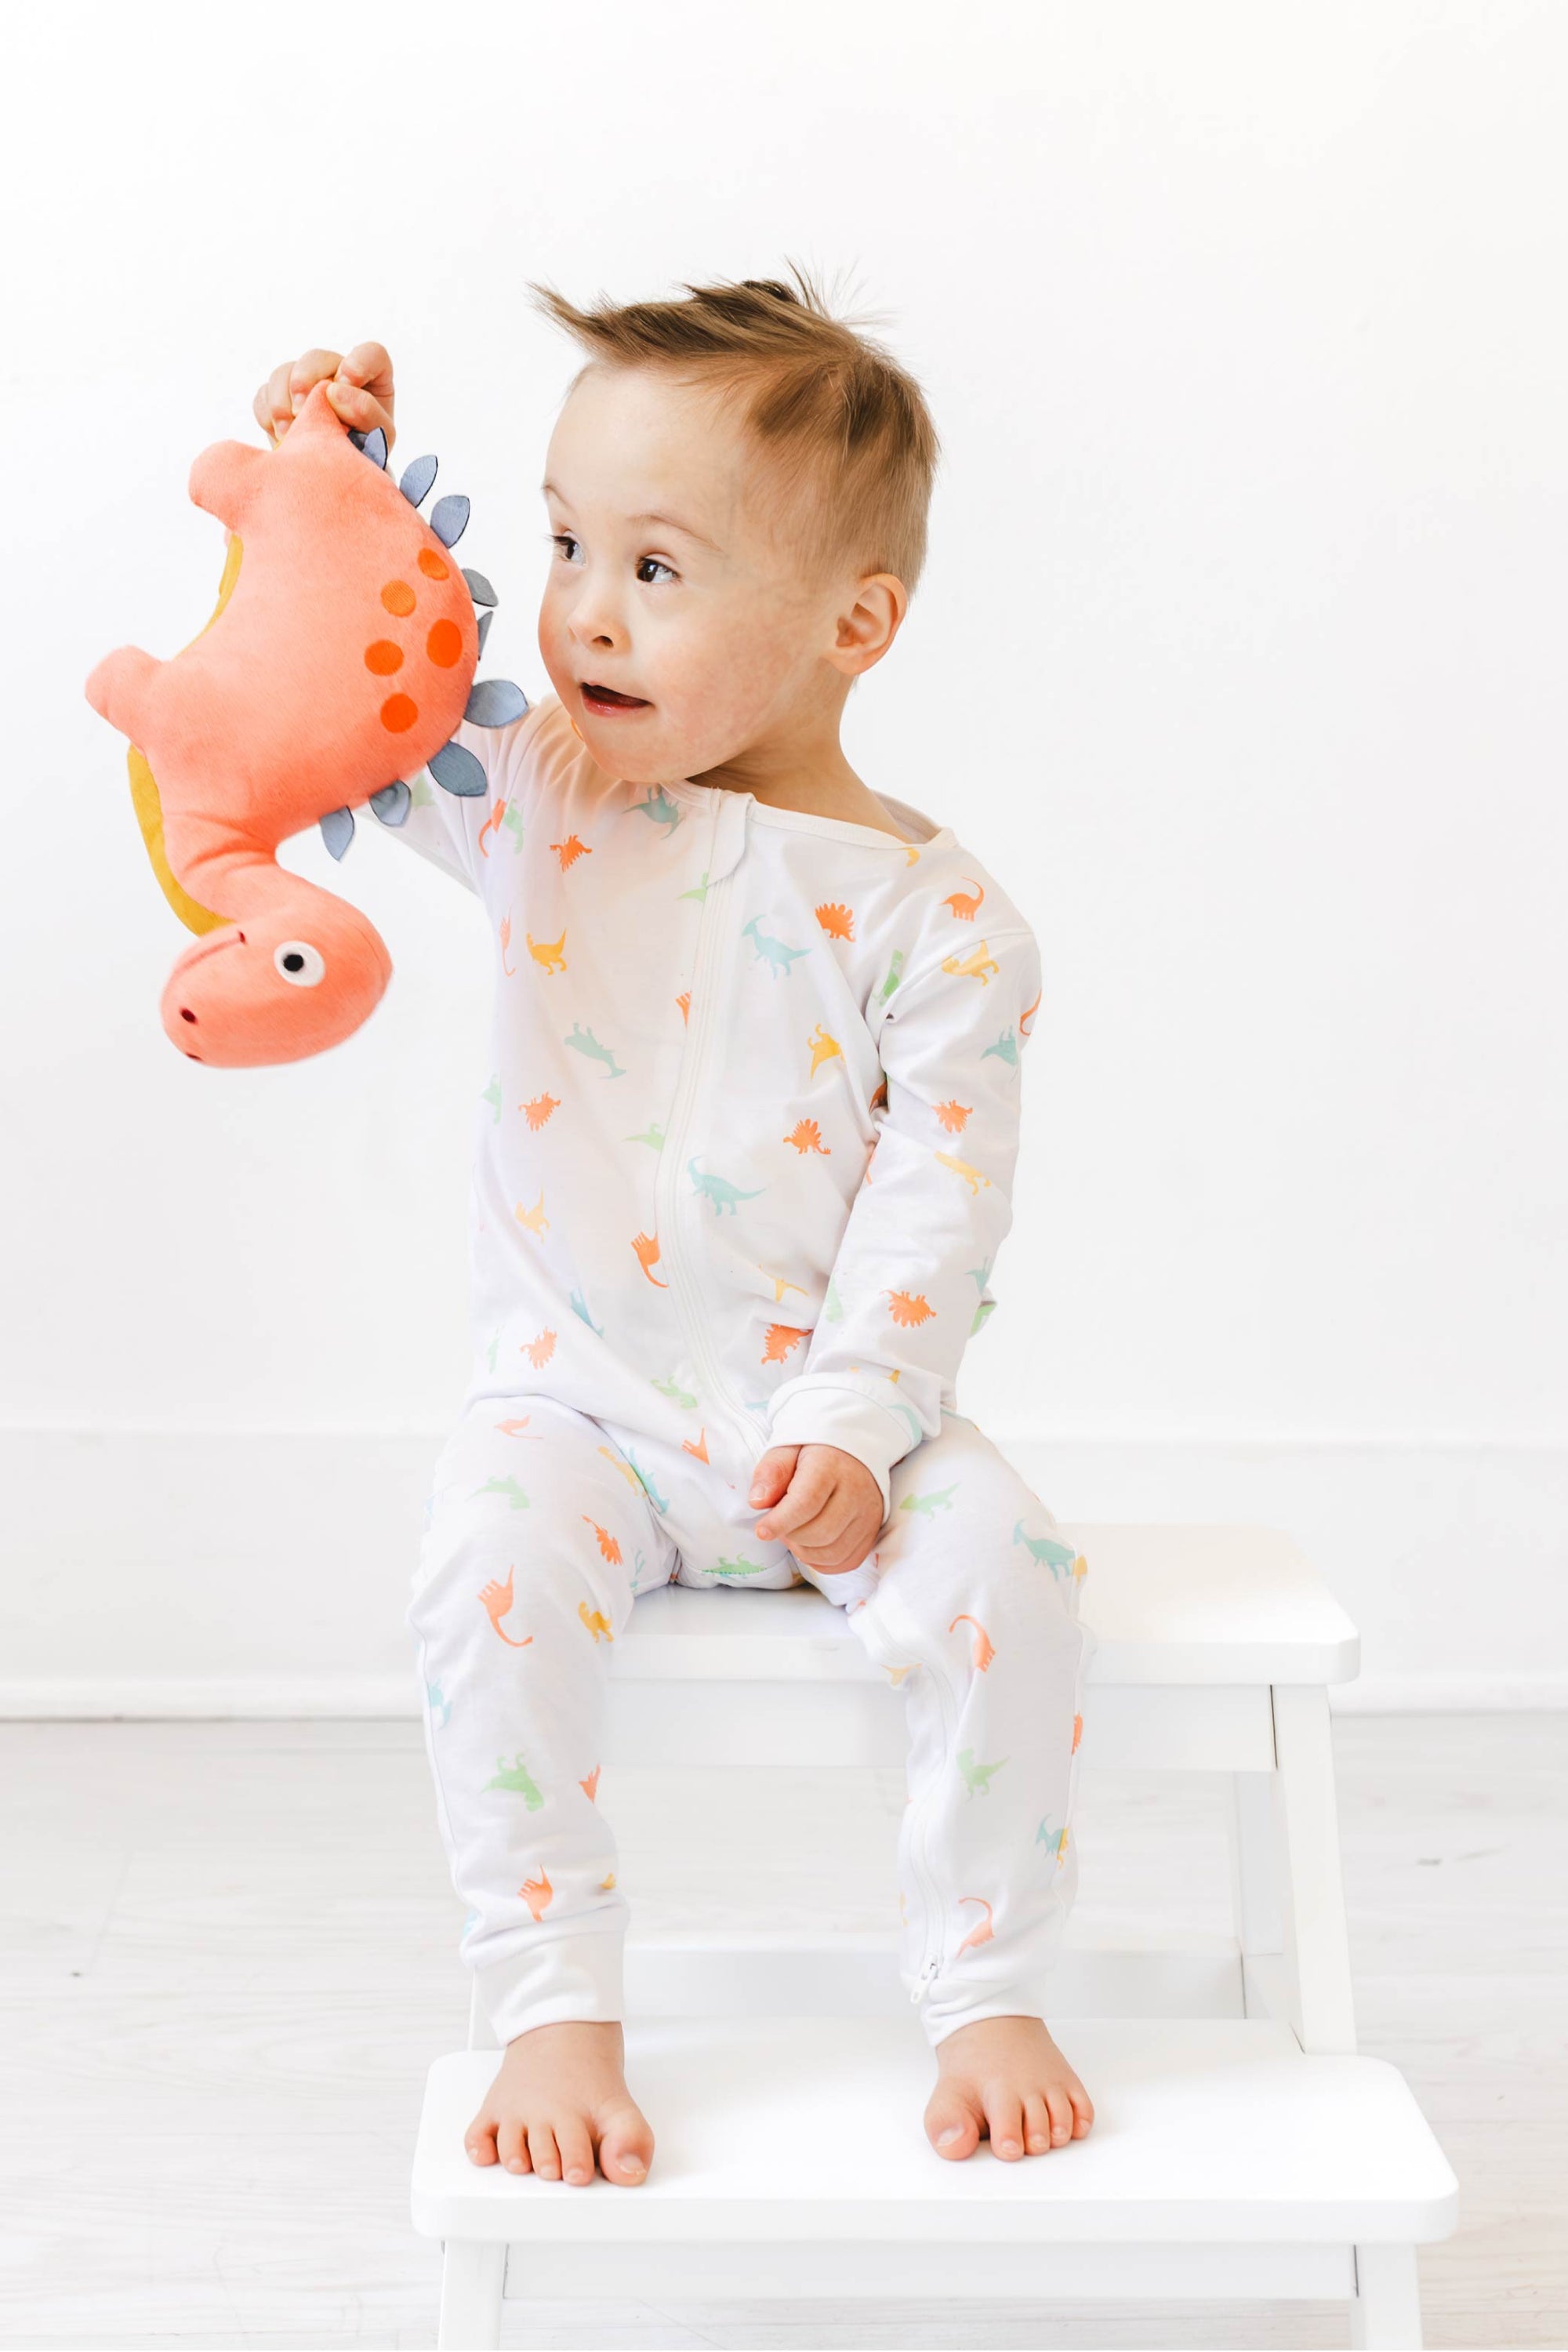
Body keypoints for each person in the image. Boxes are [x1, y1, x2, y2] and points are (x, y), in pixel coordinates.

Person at [256, 268, 1093, 2190]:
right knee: (479, 1568)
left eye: (655, 567)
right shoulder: (538, 789)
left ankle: (987, 1983)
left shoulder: (939, 925)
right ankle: (548, 1996)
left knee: (1014, 1579)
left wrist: (864, 1425)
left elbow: (937, 1199)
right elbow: (351, 705)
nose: (576, 611)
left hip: (838, 1423)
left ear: (849, 627)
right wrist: (343, 480)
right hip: (581, 1413)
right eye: (562, 543)